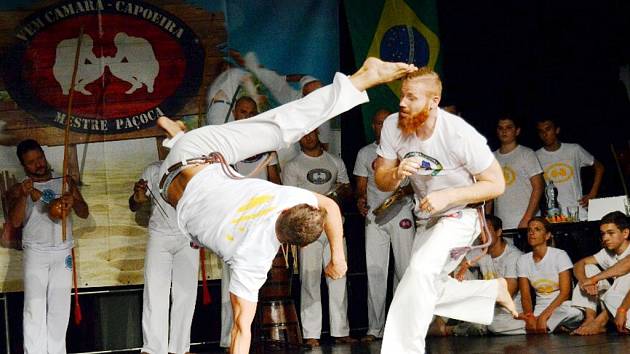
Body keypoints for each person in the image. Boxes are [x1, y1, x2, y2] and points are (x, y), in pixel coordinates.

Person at [156, 58, 418, 354]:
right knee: (275, 132)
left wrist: (338, 257)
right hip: (173, 182)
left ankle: (357, 82)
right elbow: (241, 329)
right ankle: (175, 135)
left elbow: (330, 208)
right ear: (289, 245)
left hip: (198, 147)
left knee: (281, 127)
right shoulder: (254, 258)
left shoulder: (280, 198)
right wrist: (338, 259)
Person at [374, 67, 517, 353]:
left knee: (419, 272)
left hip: (462, 215)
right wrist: (397, 173)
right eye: (402, 96)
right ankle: (490, 290)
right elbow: (382, 179)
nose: (402, 103)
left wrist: (450, 195)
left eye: (411, 98)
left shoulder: (459, 134)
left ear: (433, 101)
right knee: (420, 284)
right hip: (426, 217)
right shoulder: (393, 125)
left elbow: (496, 184)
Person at [6, 139, 89, 353]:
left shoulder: (64, 181)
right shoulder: (20, 188)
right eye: (31, 162)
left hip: (62, 252)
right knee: (34, 307)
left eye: (40, 158)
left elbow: (84, 212)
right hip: (36, 252)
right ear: (24, 166)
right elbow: (15, 222)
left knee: (60, 308)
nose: (38, 164)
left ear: (44, 154)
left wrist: (72, 199)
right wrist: (25, 194)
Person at [281, 129, 354, 347]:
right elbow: (288, 199)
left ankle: (340, 330)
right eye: (303, 135)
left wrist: (337, 194)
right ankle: (311, 333)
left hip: (334, 225)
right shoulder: (293, 165)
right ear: (299, 139)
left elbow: (347, 189)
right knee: (310, 279)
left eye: (312, 133)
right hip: (308, 228)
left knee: (338, 276)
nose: (308, 138)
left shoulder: (335, 161)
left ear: (318, 135)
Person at [219, 96, 280, 350]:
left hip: (261, 223)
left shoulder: (266, 145)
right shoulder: (224, 143)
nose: (245, 115)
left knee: (259, 282)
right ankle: (228, 338)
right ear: (234, 112)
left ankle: (256, 336)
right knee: (229, 285)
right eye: (242, 111)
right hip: (232, 222)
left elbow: (276, 182)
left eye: (250, 112)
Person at [353, 108, 415, 342]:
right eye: (378, 124)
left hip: (401, 213)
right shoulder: (365, 153)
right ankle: (374, 328)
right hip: (375, 217)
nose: (382, 128)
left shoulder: (407, 151)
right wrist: (361, 200)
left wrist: (401, 193)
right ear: (373, 126)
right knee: (376, 271)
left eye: (386, 124)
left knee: (404, 269)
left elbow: (418, 184)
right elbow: (361, 186)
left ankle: (405, 326)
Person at [129, 161, 200, 354]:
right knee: (154, 292)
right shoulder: (153, 169)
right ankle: (153, 349)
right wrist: (138, 196)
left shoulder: (194, 169)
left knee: (186, 294)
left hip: (187, 236)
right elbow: (134, 204)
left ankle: (181, 348)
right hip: (159, 237)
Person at [431, 215, 526, 337]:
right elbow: (453, 263)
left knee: (488, 326)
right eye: (480, 230)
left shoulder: (513, 256)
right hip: (485, 304)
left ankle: (452, 329)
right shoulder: (481, 252)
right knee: (457, 269)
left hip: (505, 313)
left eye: (486, 230)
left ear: (498, 232)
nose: (482, 234)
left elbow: (509, 292)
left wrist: (474, 299)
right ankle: (442, 322)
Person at [517, 217, 584, 333]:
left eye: (537, 229)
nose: (531, 233)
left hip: (561, 307)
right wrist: (530, 317)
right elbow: (525, 296)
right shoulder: (523, 260)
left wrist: (544, 317)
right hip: (539, 310)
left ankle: (547, 325)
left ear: (547, 236)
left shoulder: (560, 255)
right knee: (501, 324)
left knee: (574, 313)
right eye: (529, 230)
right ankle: (554, 327)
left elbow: (565, 293)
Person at [571, 211, 630, 335]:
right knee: (588, 268)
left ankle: (600, 323)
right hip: (614, 301)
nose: (605, 238)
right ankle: (590, 319)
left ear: (625, 233)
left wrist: (593, 279)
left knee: (623, 277)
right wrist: (584, 281)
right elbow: (579, 264)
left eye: (610, 233)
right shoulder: (607, 252)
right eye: (603, 234)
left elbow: (625, 265)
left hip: (625, 303)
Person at [535, 118, 604, 220]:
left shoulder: (573, 150)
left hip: (577, 213)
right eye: (541, 131)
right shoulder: (536, 156)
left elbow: (599, 167)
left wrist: (592, 193)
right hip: (553, 217)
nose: (545, 134)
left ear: (557, 130)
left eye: (548, 129)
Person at [488, 116, 544, 229]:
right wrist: (488, 221)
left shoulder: (526, 154)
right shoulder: (491, 158)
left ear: (517, 131)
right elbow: (490, 194)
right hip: (501, 223)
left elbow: (538, 187)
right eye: (500, 128)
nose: (504, 131)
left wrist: (527, 219)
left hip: (526, 222)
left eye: (508, 127)